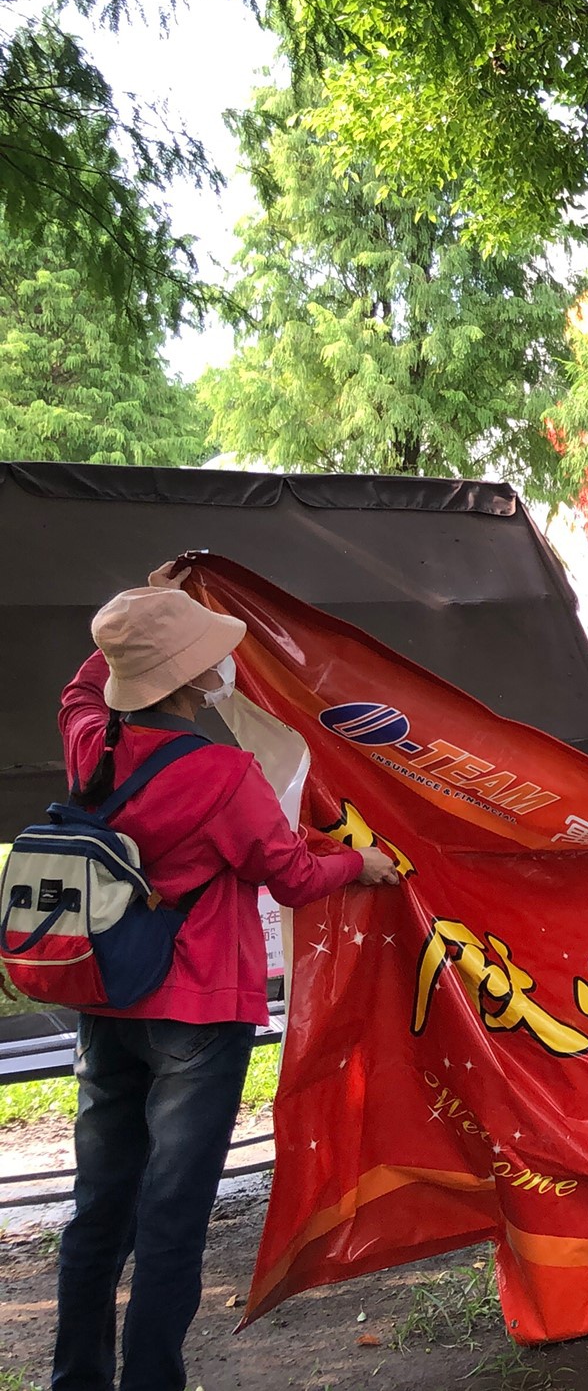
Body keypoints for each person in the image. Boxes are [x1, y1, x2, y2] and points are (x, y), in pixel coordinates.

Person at [53, 578, 403, 1391]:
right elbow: (289, 875)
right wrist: (360, 862)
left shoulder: (90, 744)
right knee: (171, 1216)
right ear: (186, 679)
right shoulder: (222, 773)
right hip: (199, 1015)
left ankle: (76, 1379)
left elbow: (82, 687)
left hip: (104, 1001)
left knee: (99, 1208)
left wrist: (141, 615)